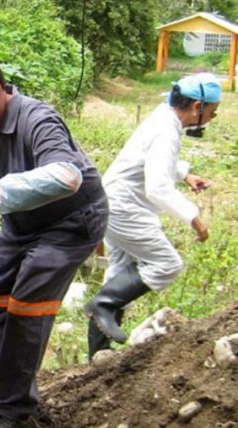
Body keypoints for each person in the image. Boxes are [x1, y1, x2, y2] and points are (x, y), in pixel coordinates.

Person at [0, 54, 108, 428]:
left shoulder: (38, 119)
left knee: (27, 304)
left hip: (72, 219)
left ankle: (12, 405)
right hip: (21, 221)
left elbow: (67, 177)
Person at [85, 73, 220, 359]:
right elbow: (157, 187)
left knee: (120, 272)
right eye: (212, 111)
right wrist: (194, 217)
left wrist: (185, 174)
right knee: (166, 263)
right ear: (197, 106)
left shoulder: (164, 118)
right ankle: (103, 305)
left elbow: (153, 160)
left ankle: (98, 354)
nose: (213, 117)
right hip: (126, 207)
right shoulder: (166, 131)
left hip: (115, 202)